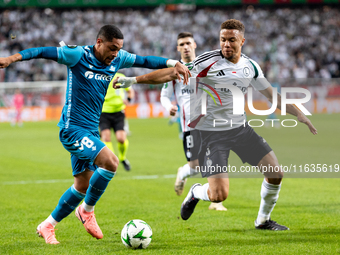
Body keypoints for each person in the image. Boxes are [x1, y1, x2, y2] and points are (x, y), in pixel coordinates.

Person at [113, 19, 317, 231]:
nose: (226, 44)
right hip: (211, 134)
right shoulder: (205, 62)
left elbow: (273, 97)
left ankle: (263, 221)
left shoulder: (250, 66)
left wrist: (299, 115)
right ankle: (196, 192)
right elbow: (173, 73)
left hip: (240, 130)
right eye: (223, 40)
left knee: (275, 173)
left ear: (242, 41)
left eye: (231, 40)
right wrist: (134, 80)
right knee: (219, 195)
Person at [0, 24, 190, 244]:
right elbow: (42, 51)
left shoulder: (118, 59)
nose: (115, 54)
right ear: (99, 42)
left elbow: (145, 60)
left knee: (82, 186)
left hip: (90, 130)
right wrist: (11, 59)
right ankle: (86, 212)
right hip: (72, 129)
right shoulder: (77, 54)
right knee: (110, 162)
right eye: (112, 48)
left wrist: (173, 63)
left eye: (119, 49)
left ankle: (47, 225)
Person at [160, 32, 227, 211]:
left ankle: (216, 201)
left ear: (195, 45)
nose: (185, 47)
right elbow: (164, 96)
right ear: (178, 48)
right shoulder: (174, 71)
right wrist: (169, 106)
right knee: (195, 166)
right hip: (189, 126)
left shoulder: (206, 67)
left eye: (188, 43)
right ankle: (182, 173)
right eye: (181, 44)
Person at [99, 72, 134, 171]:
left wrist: (128, 99)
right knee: (106, 138)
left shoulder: (121, 77)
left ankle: (122, 158)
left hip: (118, 112)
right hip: (104, 112)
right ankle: (112, 162)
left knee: (121, 139)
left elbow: (130, 91)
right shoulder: (100, 76)